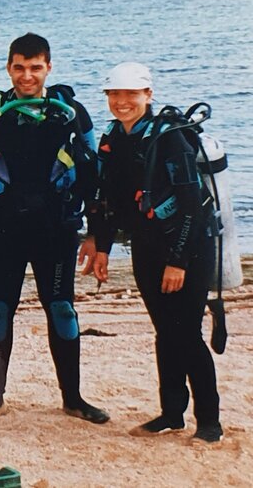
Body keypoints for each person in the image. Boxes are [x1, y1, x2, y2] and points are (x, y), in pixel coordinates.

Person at [0, 33, 109, 424]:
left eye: (35, 67)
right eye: (19, 67)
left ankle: (72, 399)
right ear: (9, 68)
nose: (27, 75)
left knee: (62, 311)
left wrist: (96, 235)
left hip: (56, 230)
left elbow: (94, 177)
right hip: (2, 229)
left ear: (48, 68)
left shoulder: (71, 113)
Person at [86, 62, 222, 443]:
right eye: (115, 94)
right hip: (146, 246)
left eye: (131, 94)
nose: (122, 101)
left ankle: (210, 421)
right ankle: (172, 413)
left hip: (190, 246)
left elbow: (192, 206)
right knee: (165, 331)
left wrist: (177, 261)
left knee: (187, 333)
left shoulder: (169, 139)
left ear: (148, 95)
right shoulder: (113, 139)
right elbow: (107, 201)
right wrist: (102, 247)